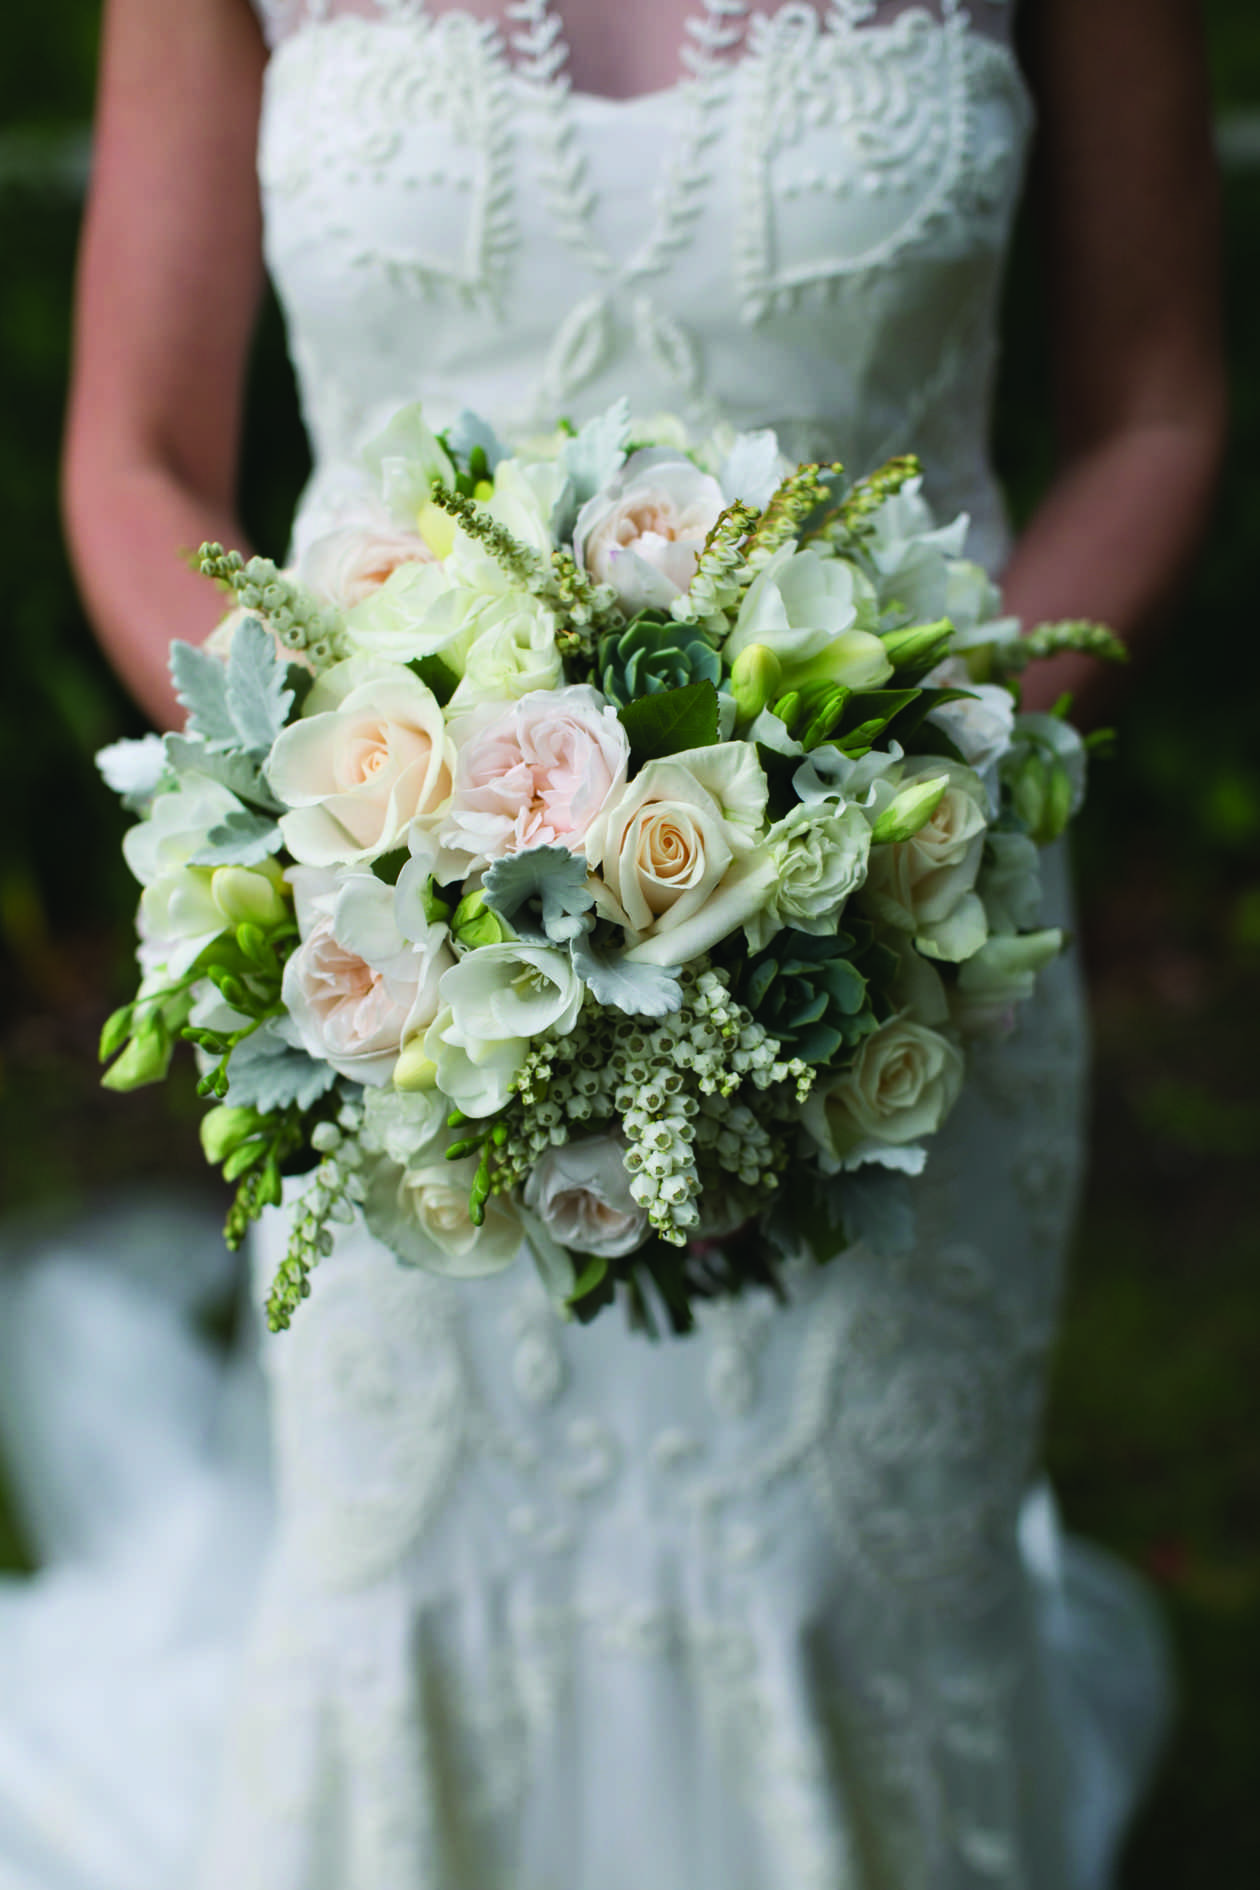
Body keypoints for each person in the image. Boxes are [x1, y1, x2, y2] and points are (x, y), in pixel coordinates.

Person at [0, 2, 1223, 1886]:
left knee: (852, 1603)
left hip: (915, 937)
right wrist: (351, 842)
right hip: (398, 987)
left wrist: (911, 803)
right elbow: (137, 456)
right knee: (424, 1602)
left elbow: (1156, 407)